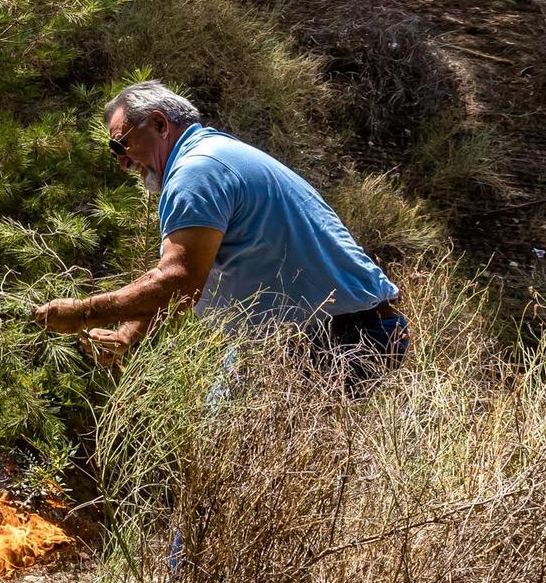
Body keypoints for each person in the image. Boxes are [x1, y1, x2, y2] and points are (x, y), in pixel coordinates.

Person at [34, 80, 407, 384]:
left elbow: (179, 280)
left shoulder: (197, 171)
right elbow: (184, 276)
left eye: (121, 144)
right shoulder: (210, 157)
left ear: (160, 124)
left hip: (337, 340)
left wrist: (84, 313)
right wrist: (127, 334)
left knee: (253, 468)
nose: (122, 161)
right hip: (312, 336)